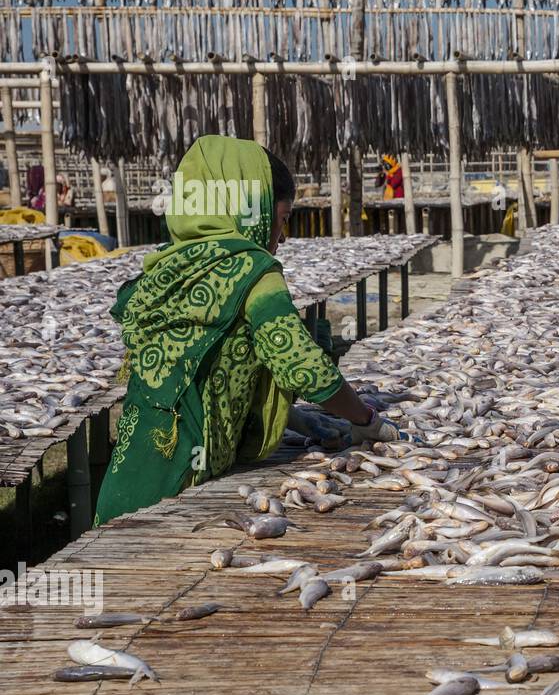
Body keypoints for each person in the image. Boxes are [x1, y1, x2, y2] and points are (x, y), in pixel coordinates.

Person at [94, 135, 404, 525]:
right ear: (252, 208)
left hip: (134, 465)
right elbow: (305, 368)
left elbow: (205, 364)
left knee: (118, 573)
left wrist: (292, 417)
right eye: (284, 217)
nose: (284, 235)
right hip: (185, 473)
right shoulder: (253, 270)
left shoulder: (169, 266)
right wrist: (366, 421)